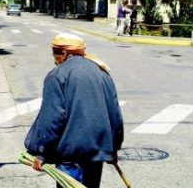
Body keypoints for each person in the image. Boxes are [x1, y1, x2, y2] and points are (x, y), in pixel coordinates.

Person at [24, 33, 124, 188]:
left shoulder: (57, 75)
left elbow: (52, 118)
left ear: (64, 54)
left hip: (70, 155)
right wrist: (114, 148)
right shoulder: (102, 73)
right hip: (96, 153)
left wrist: (42, 152)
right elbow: (115, 114)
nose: (54, 59)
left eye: (55, 54)